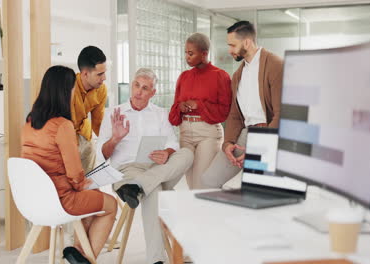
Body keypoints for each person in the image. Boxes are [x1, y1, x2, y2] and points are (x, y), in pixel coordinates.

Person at [21, 65, 117, 264]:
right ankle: (82, 255)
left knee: (94, 199)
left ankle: (79, 253)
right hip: (60, 199)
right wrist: (84, 183)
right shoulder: (62, 125)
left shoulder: (29, 122)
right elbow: (75, 176)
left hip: (33, 198)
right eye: (73, 88)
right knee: (110, 204)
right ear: (65, 91)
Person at [97, 68, 194, 264]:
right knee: (155, 191)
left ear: (153, 93)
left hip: (155, 168)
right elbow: (102, 155)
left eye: (145, 88)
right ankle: (155, 259)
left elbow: (173, 143)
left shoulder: (160, 114)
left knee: (187, 153)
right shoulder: (113, 113)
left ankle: (137, 187)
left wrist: (166, 153)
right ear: (131, 85)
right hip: (127, 171)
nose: (139, 92)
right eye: (136, 85)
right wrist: (115, 139)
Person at [202, 21, 283, 187]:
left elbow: (282, 114)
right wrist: (228, 143)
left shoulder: (275, 65)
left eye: (233, 45)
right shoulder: (238, 75)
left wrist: (259, 150)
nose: (230, 50)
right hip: (246, 134)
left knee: (257, 190)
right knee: (209, 180)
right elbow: (235, 115)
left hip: (269, 134)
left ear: (247, 42)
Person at [169, 32, 232, 189]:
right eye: (185, 53)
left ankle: (210, 211)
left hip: (208, 134)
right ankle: (198, 213)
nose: (187, 57)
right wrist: (180, 107)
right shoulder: (183, 77)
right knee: (191, 186)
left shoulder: (220, 76)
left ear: (204, 53)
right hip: (185, 133)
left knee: (201, 185)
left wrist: (200, 105)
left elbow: (225, 111)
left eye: (191, 53)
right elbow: (173, 112)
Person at [71, 46, 108, 173]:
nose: (104, 78)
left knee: (89, 182)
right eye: (100, 74)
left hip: (86, 137)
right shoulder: (68, 86)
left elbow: (98, 122)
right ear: (85, 74)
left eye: (104, 72)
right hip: (67, 138)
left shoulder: (101, 89)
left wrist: (110, 144)